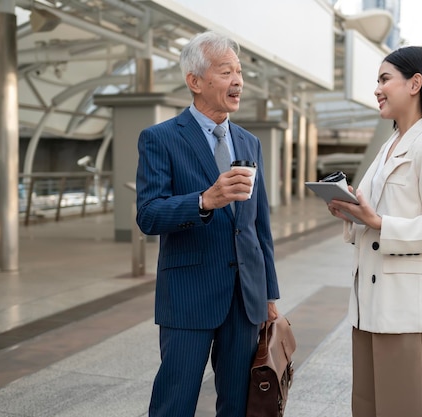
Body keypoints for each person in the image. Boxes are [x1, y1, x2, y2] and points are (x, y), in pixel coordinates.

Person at [135, 30, 280, 417]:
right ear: (195, 81)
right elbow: (148, 214)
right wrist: (204, 201)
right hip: (188, 296)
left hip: (244, 299)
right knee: (174, 403)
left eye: (238, 71)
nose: (237, 80)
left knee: (237, 404)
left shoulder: (249, 142)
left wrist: (268, 293)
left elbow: (258, 225)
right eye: (225, 71)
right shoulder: (160, 139)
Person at [327, 46, 422, 417]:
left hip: (412, 315)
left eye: (384, 79)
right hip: (370, 310)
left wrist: (378, 223)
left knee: (407, 410)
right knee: (370, 410)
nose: (377, 89)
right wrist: (352, 213)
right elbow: (376, 217)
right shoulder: (389, 146)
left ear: (415, 83)